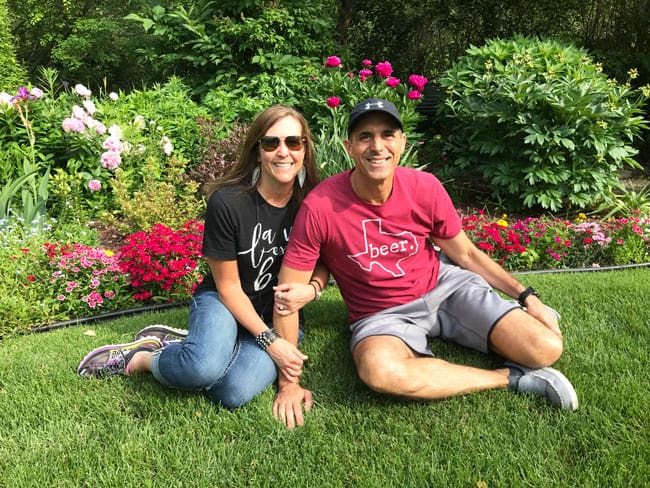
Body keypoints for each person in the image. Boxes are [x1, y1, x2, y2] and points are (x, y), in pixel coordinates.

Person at [271, 98, 579, 428]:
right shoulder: (321, 207)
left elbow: (466, 254)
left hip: (443, 288)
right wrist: (289, 383)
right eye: (365, 136)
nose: (377, 146)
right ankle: (512, 378)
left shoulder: (424, 187)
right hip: (381, 316)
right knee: (380, 371)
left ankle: (508, 321)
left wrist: (528, 298)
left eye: (388, 134)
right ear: (349, 146)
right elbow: (287, 298)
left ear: (403, 142)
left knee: (546, 348)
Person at [77, 105, 328, 416]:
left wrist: (315, 287)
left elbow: (324, 259)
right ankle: (145, 356)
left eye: (293, 142)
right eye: (270, 142)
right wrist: (270, 342)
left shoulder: (314, 203)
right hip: (223, 301)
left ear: (305, 148)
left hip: (275, 314)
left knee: (231, 392)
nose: (283, 152)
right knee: (201, 368)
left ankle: (197, 344)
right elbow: (229, 287)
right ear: (257, 150)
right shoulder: (229, 202)